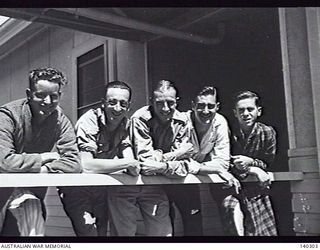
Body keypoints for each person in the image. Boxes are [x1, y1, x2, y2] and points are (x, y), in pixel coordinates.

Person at [0, 67, 81, 236]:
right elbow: (5, 161)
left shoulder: (61, 120)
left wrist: (43, 169)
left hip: (30, 191)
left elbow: (73, 163)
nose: (47, 101)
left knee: (30, 234)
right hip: (1, 188)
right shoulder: (7, 115)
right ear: (29, 94)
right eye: (41, 95)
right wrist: (43, 157)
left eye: (54, 96)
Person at [58, 81, 140, 236]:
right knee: (89, 233)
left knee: (101, 234)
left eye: (123, 104)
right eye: (112, 102)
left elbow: (134, 169)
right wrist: (126, 163)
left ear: (128, 106)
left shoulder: (125, 125)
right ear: (103, 103)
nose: (117, 108)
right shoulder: (88, 121)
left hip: (102, 187)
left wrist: (128, 164)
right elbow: (87, 165)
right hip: (77, 188)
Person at [130, 80, 195, 236]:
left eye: (170, 103)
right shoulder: (140, 119)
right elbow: (146, 163)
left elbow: (185, 165)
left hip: (173, 178)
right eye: (159, 103)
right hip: (148, 184)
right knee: (162, 230)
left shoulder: (183, 120)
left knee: (193, 213)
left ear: (177, 101)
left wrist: (161, 162)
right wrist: (177, 153)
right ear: (151, 101)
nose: (165, 109)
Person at [180, 86, 241, 236]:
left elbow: (223, 162)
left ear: (217, 107)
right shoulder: (181, 121)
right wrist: (218, 169)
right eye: (200, 106)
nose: (206, 111)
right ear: (193, 105)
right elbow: (180, 163)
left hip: (203, 174)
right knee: (192, 219)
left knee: (230, 205)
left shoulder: (220, 121)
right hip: (179, 179)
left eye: (210, 106)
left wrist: (207, 167)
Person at [223, 90, 277, 236]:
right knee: (231, 211)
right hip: (232, 187)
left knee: (259, 230)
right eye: (241, 110)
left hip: (256, 189)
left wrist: (252, 163)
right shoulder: (228, 131)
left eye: (250, 109)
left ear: (258, 111)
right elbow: (224, 160)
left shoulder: (267, 132)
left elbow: (269, 162)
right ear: (235, 113)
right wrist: (253, 170)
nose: (245, 113)